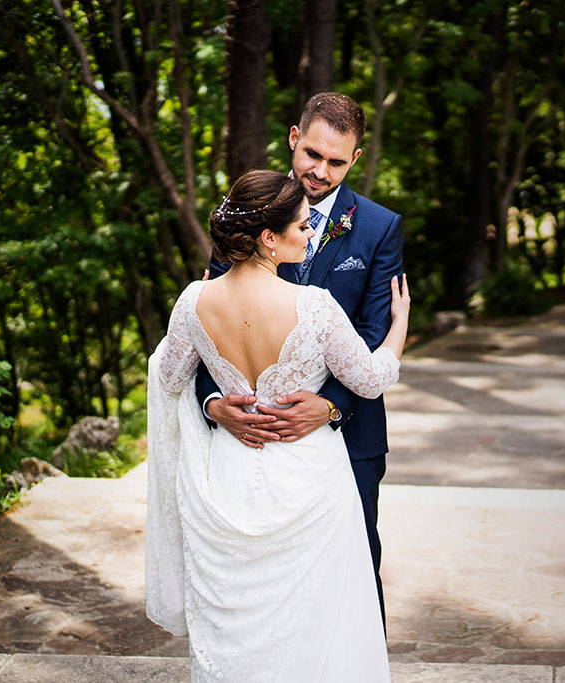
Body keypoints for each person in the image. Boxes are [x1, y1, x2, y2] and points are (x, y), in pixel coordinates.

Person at [146, 170, 409, 682]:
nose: (310, 233)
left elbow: (169, 377)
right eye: (302, 226)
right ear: (269, 238)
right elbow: (371, 379)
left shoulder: (192, 302)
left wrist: (216, 404)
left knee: (233, 625)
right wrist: (399, 323)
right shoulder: (315, 308)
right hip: (308, 479)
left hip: (225, 481)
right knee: (318, 625)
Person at [194, 92, 402, 621]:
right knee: (258, 583)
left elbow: (373, 330)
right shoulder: (249, 208)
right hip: (248, 441)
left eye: (337, 161)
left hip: (347, 438)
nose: (321, 171)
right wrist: (213, 402)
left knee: (353, 571)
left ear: (355, 158)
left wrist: (330, 406)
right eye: (312, 154)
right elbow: (207, 322)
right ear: (293, 138)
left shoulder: (379, 228)